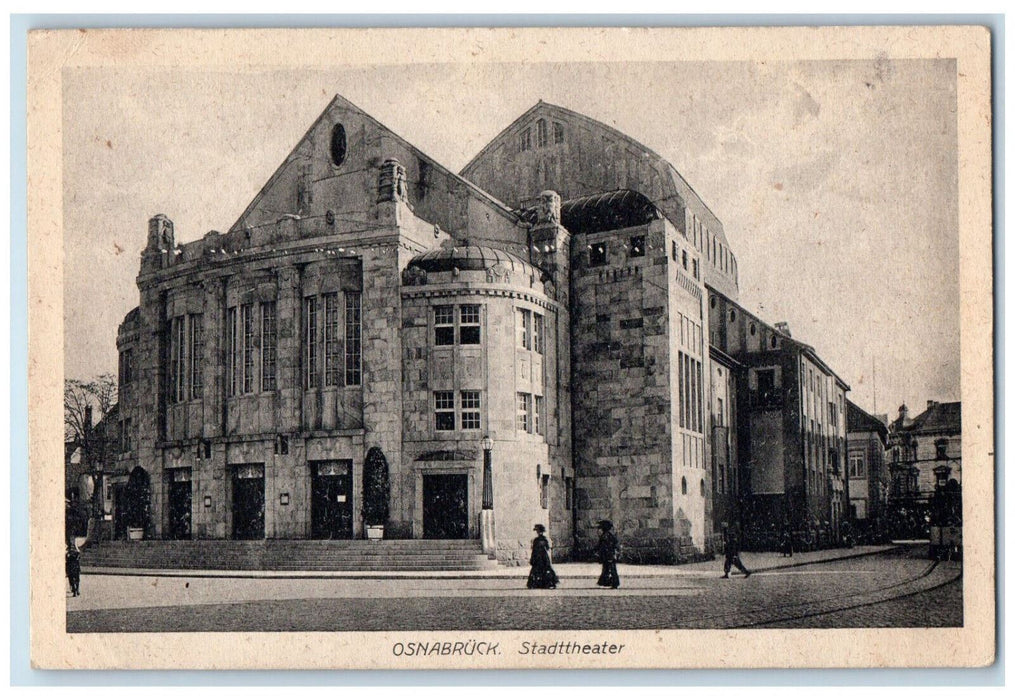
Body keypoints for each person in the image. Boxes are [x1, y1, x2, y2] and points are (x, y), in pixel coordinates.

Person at [526, 524, 559, 589]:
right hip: (542, 557)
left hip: (540, 557)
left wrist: (533, 558)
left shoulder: (537, 540)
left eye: (538, 531)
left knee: (540, 570)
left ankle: (541, 583)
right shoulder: (543, 539)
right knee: (543, 569)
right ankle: (544, 583)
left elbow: (535, 550)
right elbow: (547, 548)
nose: (538, 532)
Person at [595, 520, 621, 589]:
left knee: (611, 569)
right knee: (607, 569)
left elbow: (604, 546)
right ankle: (608, 582)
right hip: (608, 555)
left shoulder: (606, 536)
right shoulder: (607, 535)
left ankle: (614, 583)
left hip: (609, 555)